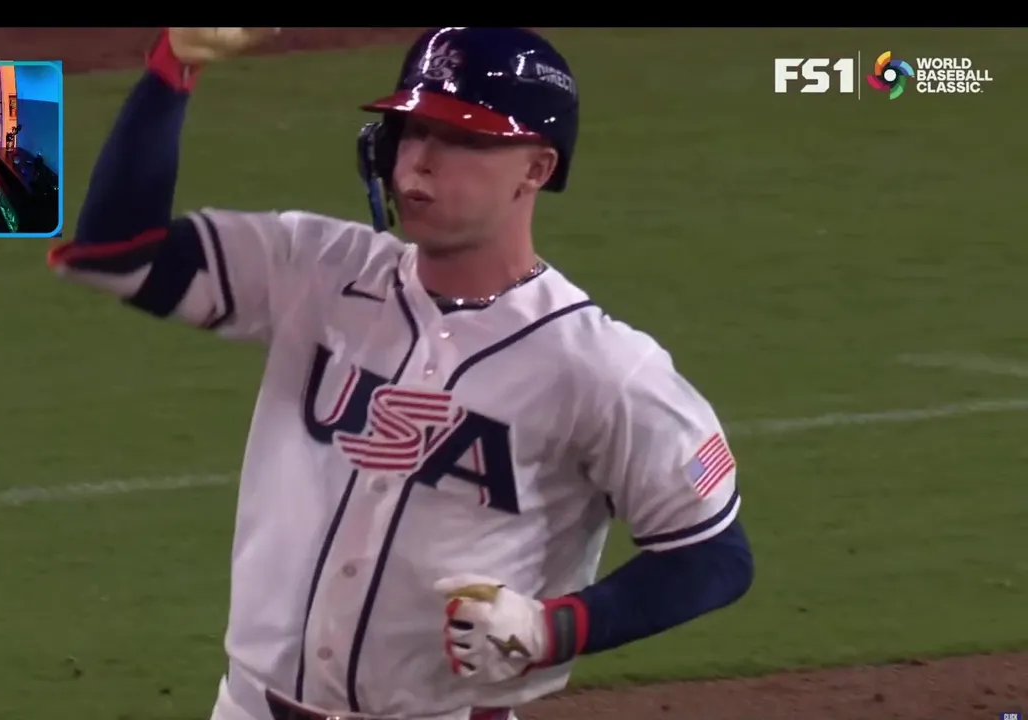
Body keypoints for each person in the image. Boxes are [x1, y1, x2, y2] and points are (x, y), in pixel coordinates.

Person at [49, 26, 754, 720]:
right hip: (248, 707)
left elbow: (712, 555)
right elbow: (116, 254)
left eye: (462, 139)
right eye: (413, 132)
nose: (418, 164)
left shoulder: (601, 367)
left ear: (536, 169)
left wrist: (554, 628)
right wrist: (172, 68)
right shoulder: (317, 268)